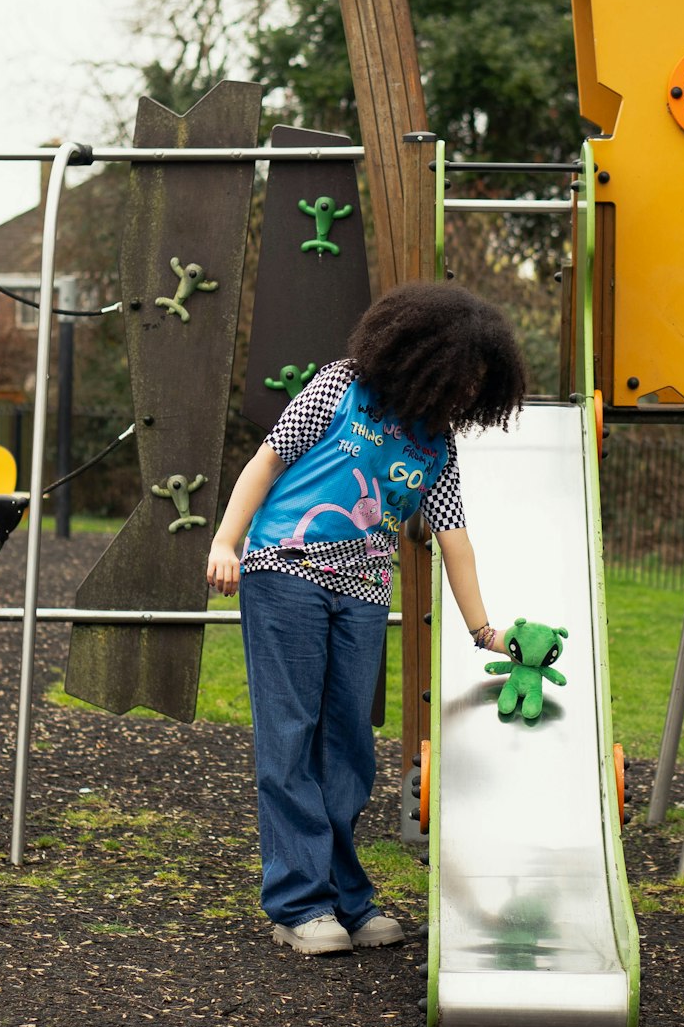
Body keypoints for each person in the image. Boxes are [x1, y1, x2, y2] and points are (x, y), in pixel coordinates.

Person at [206, 281, 526, 956]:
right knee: (290, 736)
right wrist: (224, 542)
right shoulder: (339, 387)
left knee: (347, 747)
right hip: (286, 572)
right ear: (420, 358)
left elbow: (453, 536)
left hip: (362, 593)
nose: (466, 395)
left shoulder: (435, 444)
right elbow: (267, 461)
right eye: (459, 378)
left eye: (476, 386)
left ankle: (348, 899)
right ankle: (299, 904)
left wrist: (482, 629)